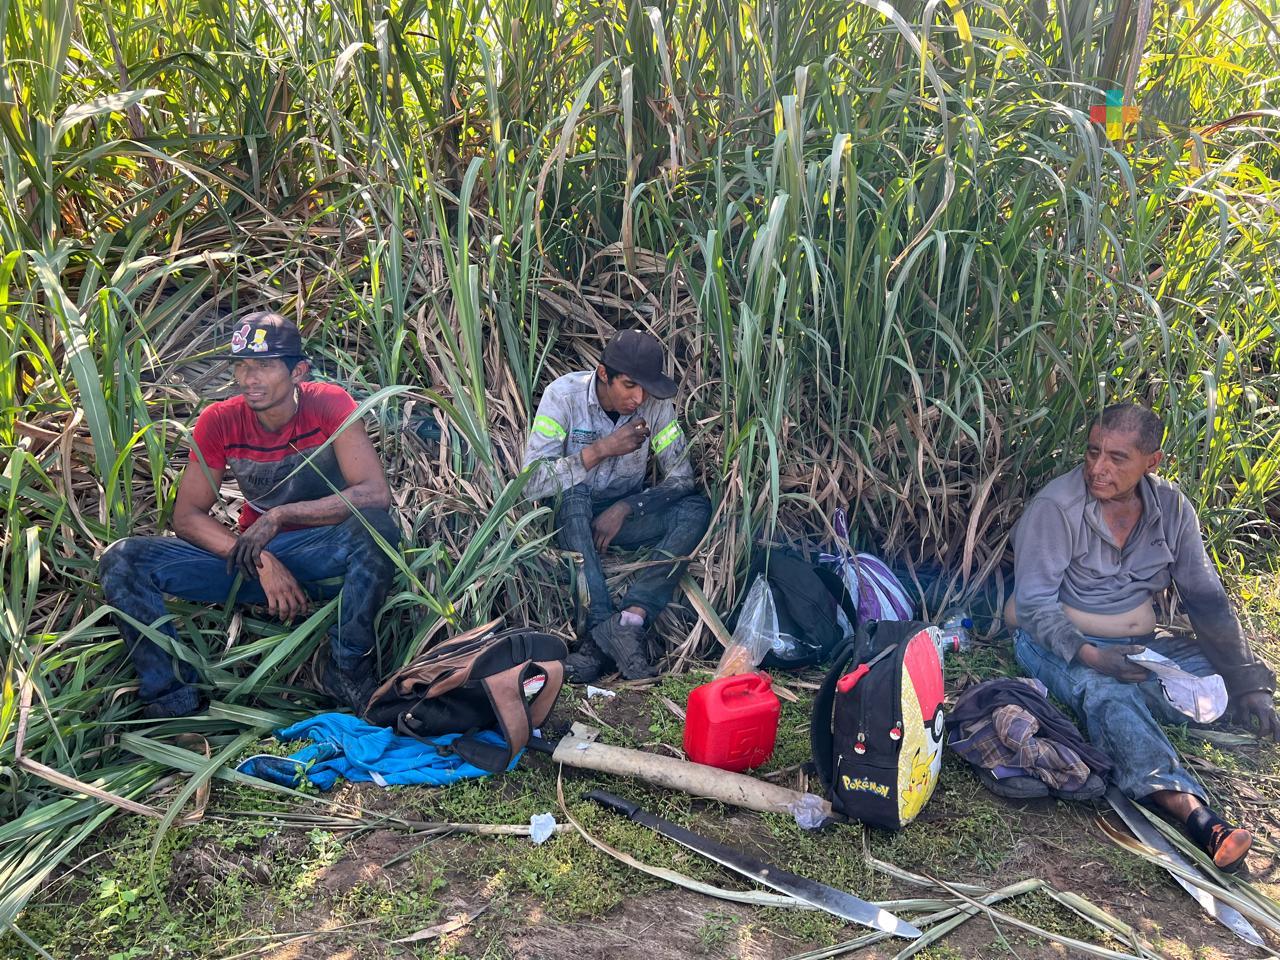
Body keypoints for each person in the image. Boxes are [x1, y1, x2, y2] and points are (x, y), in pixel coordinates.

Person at [1009, 402, 1277, 870]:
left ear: (1152, 462)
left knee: (1222, 673)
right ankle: (1193, 814)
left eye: (1117, 457)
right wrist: (1093, 657)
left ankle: (1159, 709)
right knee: (1107, 693)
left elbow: (1206, 600)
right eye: (1093, 452)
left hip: (1140, 650)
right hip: (1063, 643)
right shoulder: (1057, 507)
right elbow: (1033, 605)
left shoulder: (1172, 509)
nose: (1098, 468)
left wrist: (1248, 682)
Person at [99, 313, 400, 718]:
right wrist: (260, 559)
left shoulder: (330, 404)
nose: (249, 378)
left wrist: (278, 516)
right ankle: (173, 699)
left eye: (264, 365)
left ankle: (346, 667)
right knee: (123, 558)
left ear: (299, 371)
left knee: (376, 529)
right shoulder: (220, 421)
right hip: (250, 561)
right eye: (241, 365)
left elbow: (373, 493)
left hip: (324, 557)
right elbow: (187, 516)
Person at [521, 329, 711, 682]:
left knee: (696, 509)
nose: (639, 397)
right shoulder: (562, 397)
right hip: (569, 515)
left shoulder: (655, 405)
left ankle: (629, 620)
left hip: (622, 517)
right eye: (629, 386)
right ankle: (598, 628)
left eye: (645, 388)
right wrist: (602, 449)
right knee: (574, 493)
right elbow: (532, 482)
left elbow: (681, 478)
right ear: (603, 374)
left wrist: (628, 508)